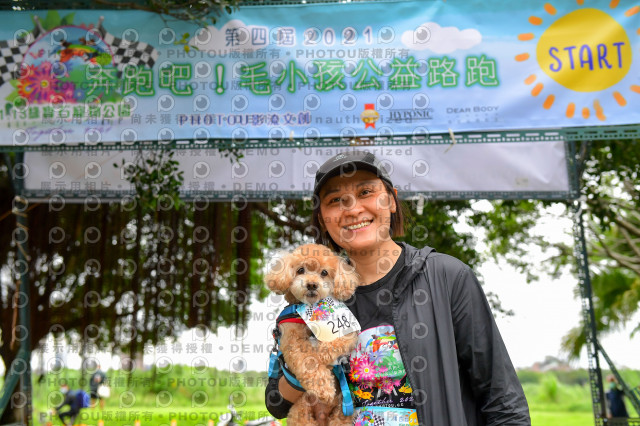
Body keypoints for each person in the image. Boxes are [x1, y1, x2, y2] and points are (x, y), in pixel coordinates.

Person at [265, 150, 531, 425]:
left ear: (391, 200)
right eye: (335, 200)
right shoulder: (318, 296)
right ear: (322, 218)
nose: (353, 209)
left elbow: (502, 400)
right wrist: (305, 365)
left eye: (365, 192)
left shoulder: (447, 277)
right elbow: (277, 403)